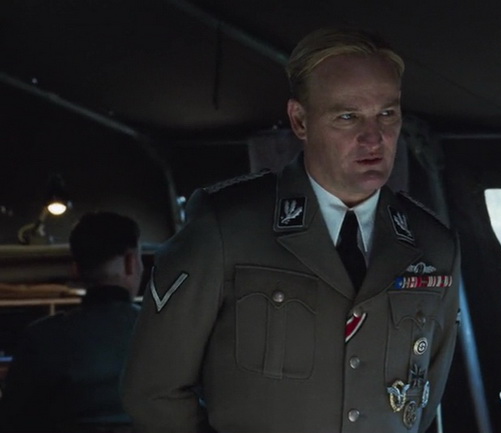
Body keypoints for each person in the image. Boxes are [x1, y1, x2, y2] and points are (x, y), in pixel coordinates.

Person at [122, 28, 461, 433]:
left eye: (387, 114)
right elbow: (153, 391)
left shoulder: (434, 246)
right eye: (348, 117)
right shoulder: (227, 228)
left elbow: (422, 402)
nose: (374, 138)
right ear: (300, 120)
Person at [0, 212, 143, 433]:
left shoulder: (40, 338)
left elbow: (12, 423)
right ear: (130, 262)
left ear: (75, 269)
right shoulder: (172, 333)